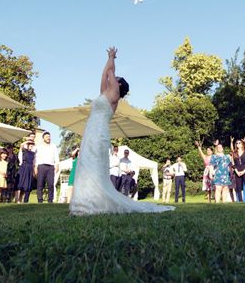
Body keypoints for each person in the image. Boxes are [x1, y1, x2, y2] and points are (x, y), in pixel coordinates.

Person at [69, 47, 173, 215]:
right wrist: (110, 60)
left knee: (93, 164)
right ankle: (83, 202)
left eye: (116, 79)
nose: (112, 78)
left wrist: (112, 58)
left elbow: (109, 71)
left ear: (118, 84)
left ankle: (90, 204)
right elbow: (105, 73)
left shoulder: (114, 94)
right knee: (86, 164)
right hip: (91, 130)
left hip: (99, 132)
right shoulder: (105, 93)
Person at [34, 132, 59, 203]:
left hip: (51, 167)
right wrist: (35, 167)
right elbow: (36, 158)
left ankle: (50, 200)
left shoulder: (53, 146)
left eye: (49, 136)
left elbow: (56, 156)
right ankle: (40, 200)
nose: (48, 138)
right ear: (43, 138)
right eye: (47, 137)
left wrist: (57, 165)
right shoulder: (39, 146)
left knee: (51, 184)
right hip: (41, 166)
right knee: (40, 184)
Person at [230, 137, 245, 203]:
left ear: (242, 144)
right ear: (235, 145)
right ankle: (240, 201)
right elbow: (233, 163)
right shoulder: (234, 153)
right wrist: (236, 171)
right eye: (237, 143)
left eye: (239, 143)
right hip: (237, 171)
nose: (238, 144)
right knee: (238, 187)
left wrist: (244, 171)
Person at [17, 134, 36, 203]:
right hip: (24, 167)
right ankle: (19, 199)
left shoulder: (33, 153)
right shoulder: (24, 150)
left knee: (28, 184)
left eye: (32, 145)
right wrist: (28, 141)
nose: (31, 145)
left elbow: (34, 162)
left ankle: (26, 200)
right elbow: (21, 145)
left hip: (30, 168)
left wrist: (34, 170)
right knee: (22, 183)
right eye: (30, 144)